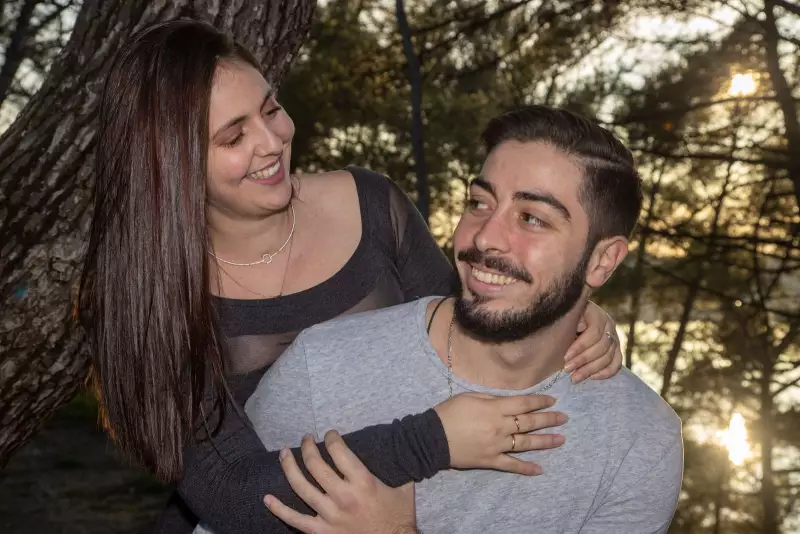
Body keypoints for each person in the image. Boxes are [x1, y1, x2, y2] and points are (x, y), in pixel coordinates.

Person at [79, 20, 625, 534]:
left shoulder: (372, 205)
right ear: (169, 165)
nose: (272, 142)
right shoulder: (147, 296)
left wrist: (567, 307)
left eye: (271, 109)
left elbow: (463, 339)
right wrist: (431, 441)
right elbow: (237, 497)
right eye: (233, 137)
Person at [233, 106, 684, 534]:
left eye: (531, 218)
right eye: (479, 202)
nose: (485, 236)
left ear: (603, 261)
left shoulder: (641, 441)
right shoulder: (324, 367)